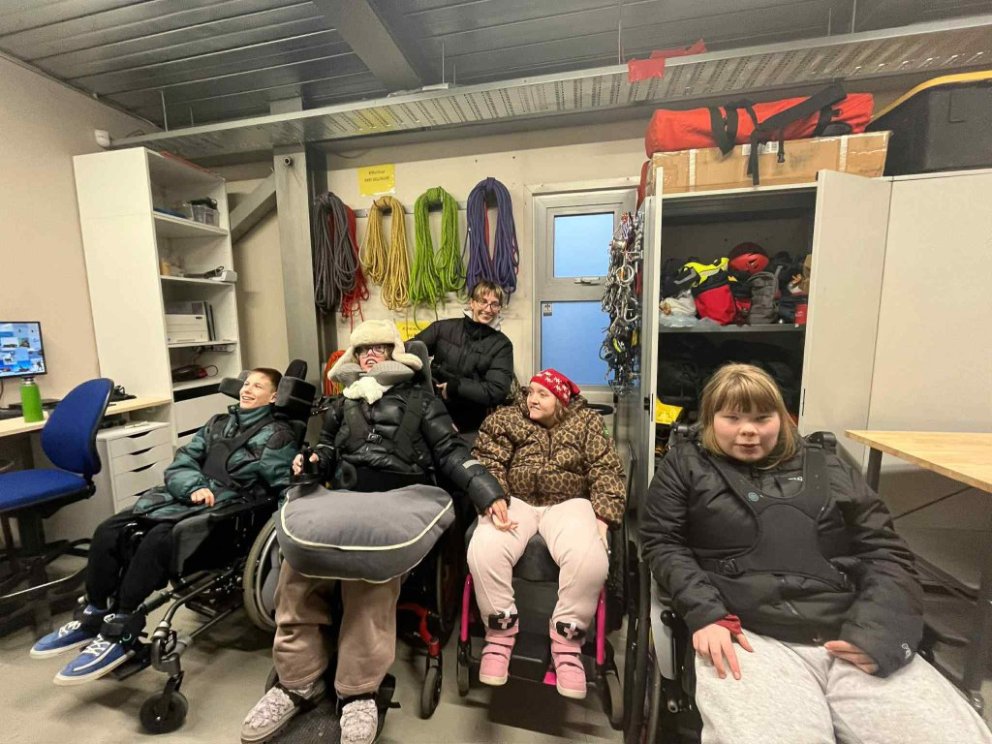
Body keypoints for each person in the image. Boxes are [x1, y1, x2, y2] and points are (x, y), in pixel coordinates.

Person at [640, 363, 992, 744]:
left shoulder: (829, 465)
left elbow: (885, 552)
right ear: (711, 420)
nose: (748, 430)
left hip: (850, 630)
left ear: (783, 418)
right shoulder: (685, 467)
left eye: (762, 417)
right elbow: (663, 542)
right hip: (748, 633)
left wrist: (879, 633)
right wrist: (707, 614)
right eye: (733, 418)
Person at [241, 319, 503, 744]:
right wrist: (312, 463)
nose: (370, 356)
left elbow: (452, 451)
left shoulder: (422, 400)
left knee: (369, 569)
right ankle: (296, 681)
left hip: (401, 496)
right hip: (345, 494)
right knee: (299, 565)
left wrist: (488, 493)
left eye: (379, 348)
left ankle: (358, 690)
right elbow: (326, 450)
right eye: (363, 350)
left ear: (395, 353)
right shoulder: (342, 403)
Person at [30, 368, 297, 685]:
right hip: (188, 497)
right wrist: (193, 487)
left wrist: (289, 532)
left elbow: (282, 488)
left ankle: (122, 626)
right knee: (110, 529)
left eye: (258, 386)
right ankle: (95, 612)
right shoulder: (218, 423)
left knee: (157, 539)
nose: (247, 389)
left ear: (274, 397)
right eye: (246, 383)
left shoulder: (278, 436)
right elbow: (182, 462)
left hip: (229, 513)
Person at [467, 368, 626, 699]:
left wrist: (604, 515)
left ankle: (567, 646)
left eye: (543, 394)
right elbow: (487, 460)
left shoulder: (587, 423)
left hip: (568, 503)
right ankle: (499, 637)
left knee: (591, 559)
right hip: (516, 500)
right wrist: (493, 496)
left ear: (561, 401)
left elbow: (606, 468)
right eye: (530, 392)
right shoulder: (507, 419)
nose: (532, 399)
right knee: (485, 547)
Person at [413, 279, 515, 438]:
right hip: (430, 411)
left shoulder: (502, 345)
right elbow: (411, 352)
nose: (488, 309)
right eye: (483, 302)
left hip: (470, 424)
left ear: (499, 309)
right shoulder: (443, 328)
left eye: (494, 304)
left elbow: (496, 391)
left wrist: (456, 387)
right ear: (472, 303)